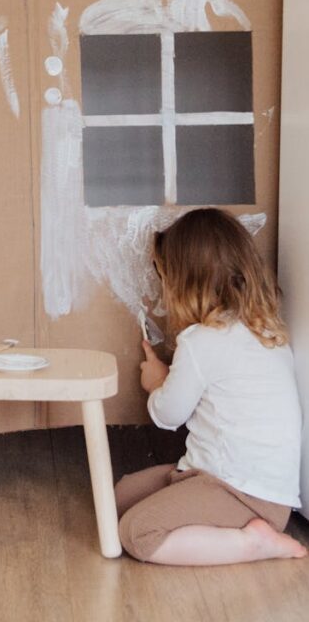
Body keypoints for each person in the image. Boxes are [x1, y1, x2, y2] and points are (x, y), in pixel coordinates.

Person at [115, 207, 307, 565]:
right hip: (238, 482)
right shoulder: (263, 330)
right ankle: (244, 530)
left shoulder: (201, 340)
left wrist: (156, 382)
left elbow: (168, 415)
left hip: (242, 495)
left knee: (136, 532)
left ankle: (253, 543)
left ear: (186, 284)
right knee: (122, 495)